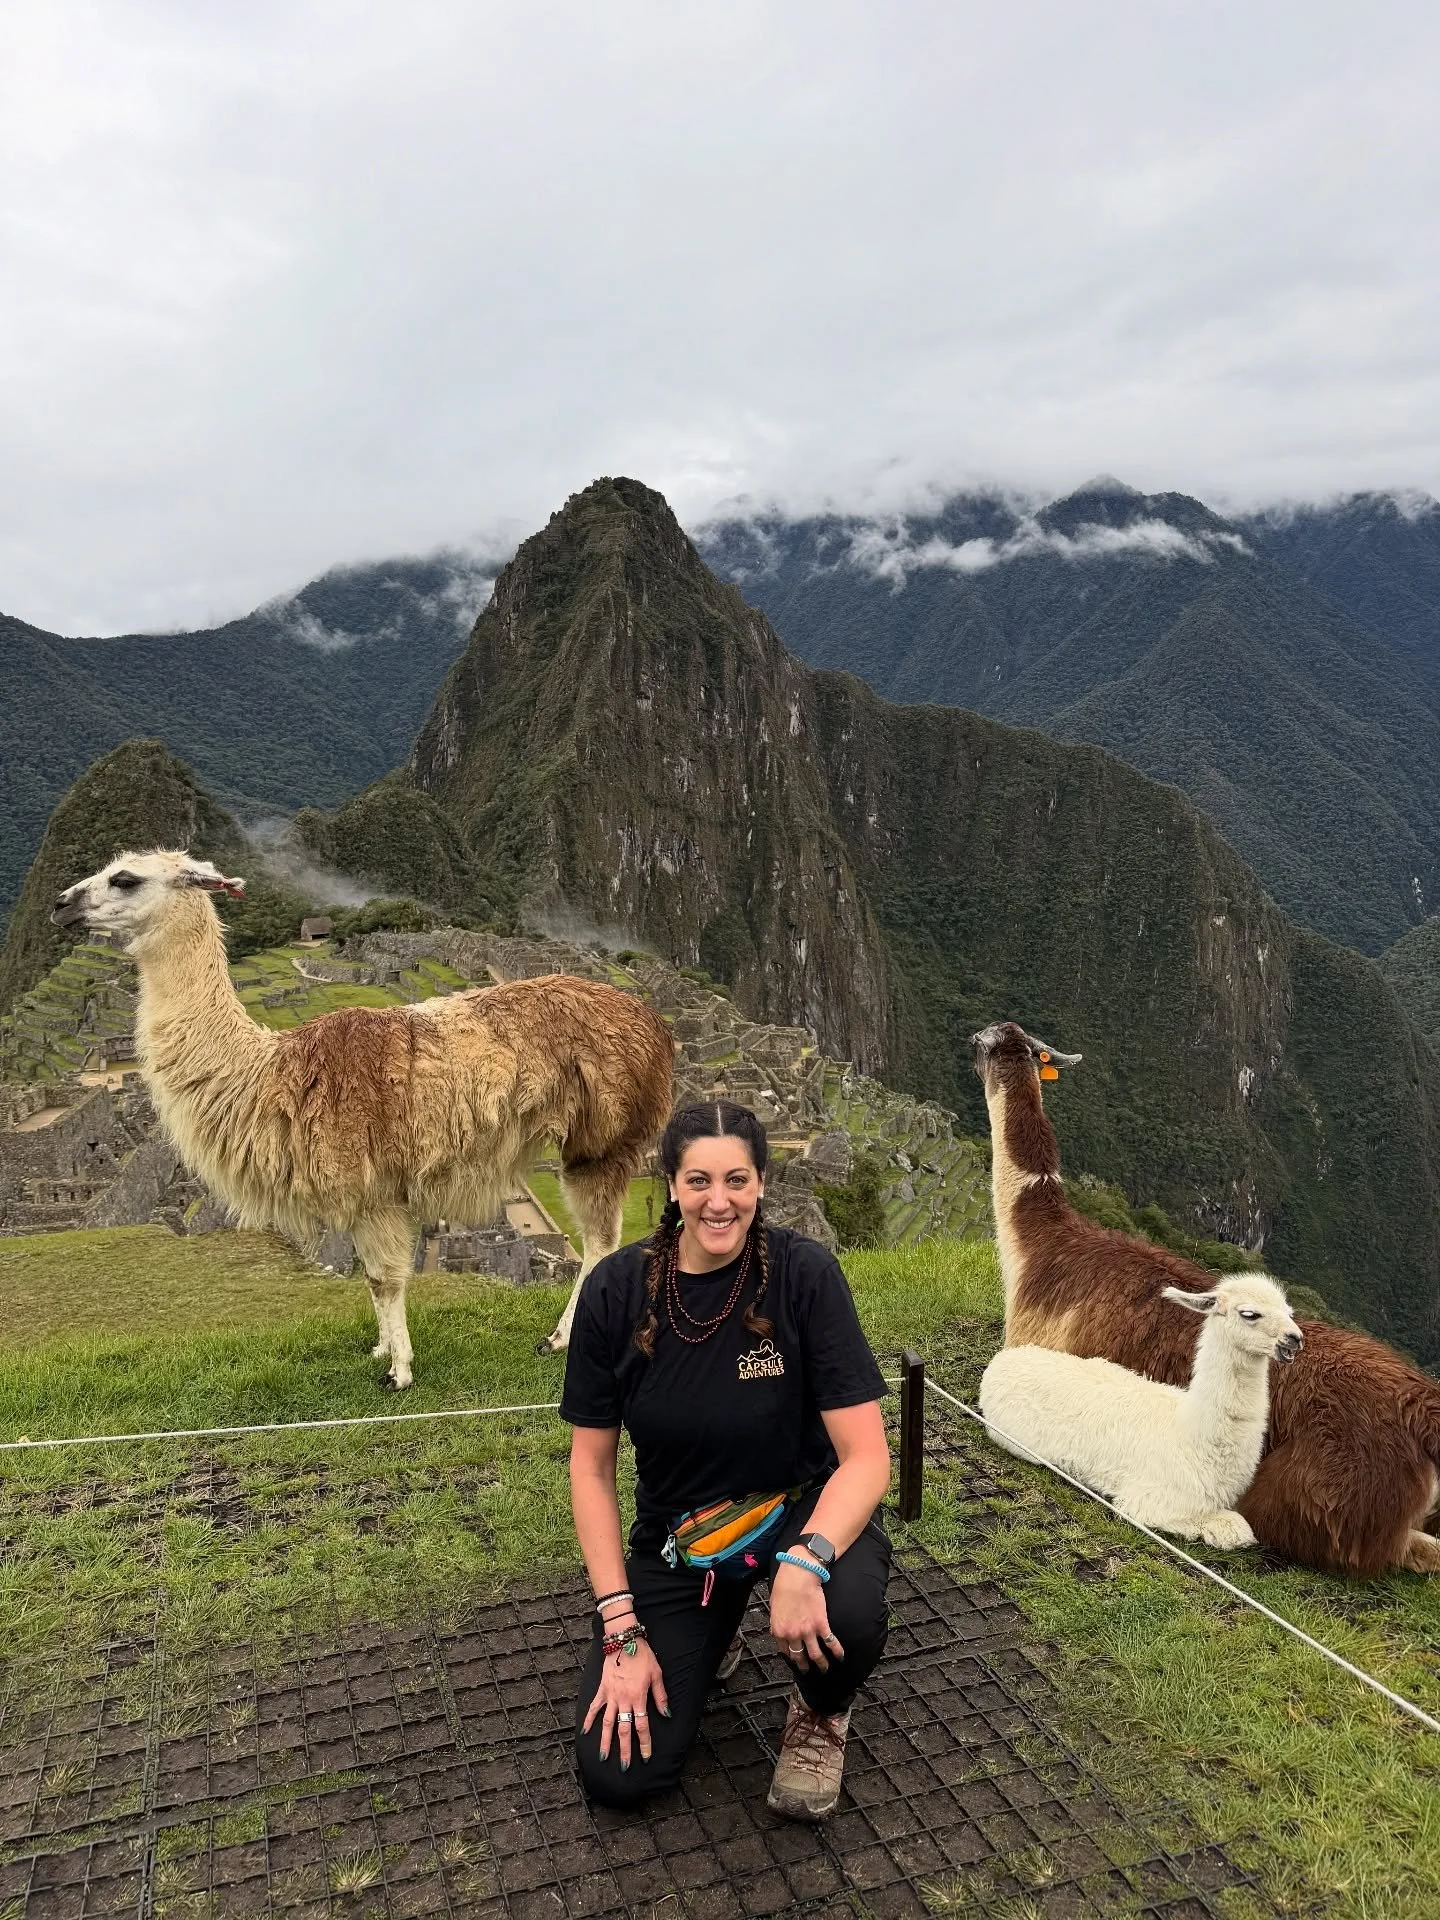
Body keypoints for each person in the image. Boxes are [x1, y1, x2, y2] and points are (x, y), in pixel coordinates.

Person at [561, 1099, 892, 1820]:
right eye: (700, 1181)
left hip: (798, 1508)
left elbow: (865, 1457)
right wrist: (622, 1626)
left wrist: (806, 1560)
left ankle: (820, 1709)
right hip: (685, 1535)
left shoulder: (804, 1278)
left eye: (737, 1181)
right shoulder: (617, 1293)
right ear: (672, 1187)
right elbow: (590, 1468)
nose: (719, 1202)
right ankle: (715, 1633)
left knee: (849, 1613)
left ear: (762, 1184)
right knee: (619, 1773)